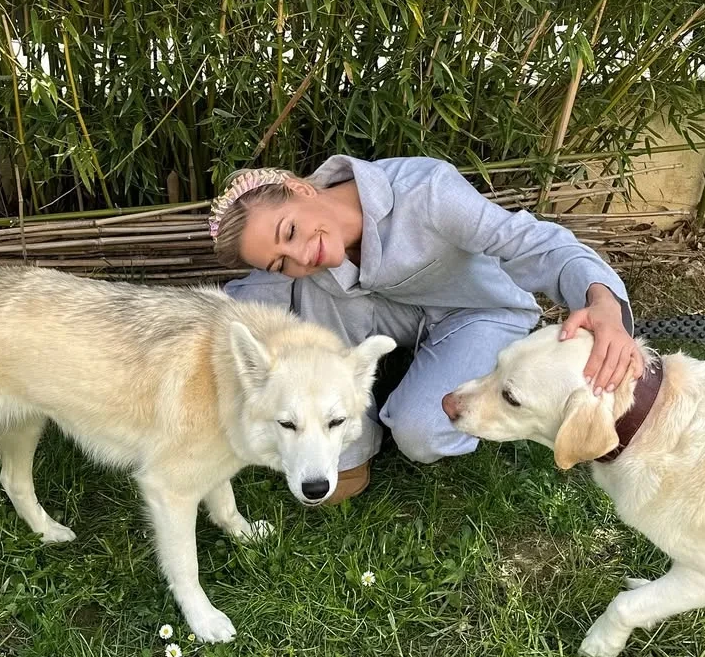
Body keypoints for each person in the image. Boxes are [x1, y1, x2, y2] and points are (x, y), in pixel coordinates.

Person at [214, 155, 642, 502]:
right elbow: (245, 302)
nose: (301, 255)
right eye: (280, 261)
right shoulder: (303, 261)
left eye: (290, 230)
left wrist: (602, 300)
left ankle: (435, 385)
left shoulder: (428, 191)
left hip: (476, 310)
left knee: (420, 434)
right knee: (308, 290)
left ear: (302, 189)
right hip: (393, 315)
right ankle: (348, 450)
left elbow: (530, 241)